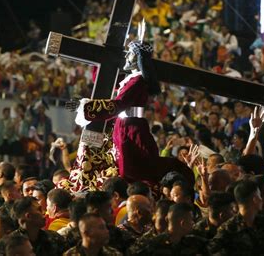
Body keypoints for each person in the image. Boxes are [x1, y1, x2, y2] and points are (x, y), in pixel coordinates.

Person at [71, 27, 194, 189]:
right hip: (124, 126)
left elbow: (119, 104)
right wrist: (100, 58)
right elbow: (110, 80)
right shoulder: (130, 78)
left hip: (131, 128)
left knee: (136, 169)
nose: (126, 56)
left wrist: (86, 108)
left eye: (129, 53)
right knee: (123, 166)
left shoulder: (137, 81)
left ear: (137, 57)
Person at [209, 179, 264, 255]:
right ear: (255, 199)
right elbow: (212, 250)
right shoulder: (228, 228)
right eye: (259, 196)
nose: (261, 200)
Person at [0, 197, 66, 255]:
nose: (44, 213)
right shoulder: (8, 245)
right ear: (28, 216)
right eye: (39, 210)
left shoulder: (53, 238)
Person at [128, 203, 207, 255]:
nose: (193, 223)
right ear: (182, 223)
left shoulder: (193, 242)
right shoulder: (151, 244)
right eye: (191, 220)